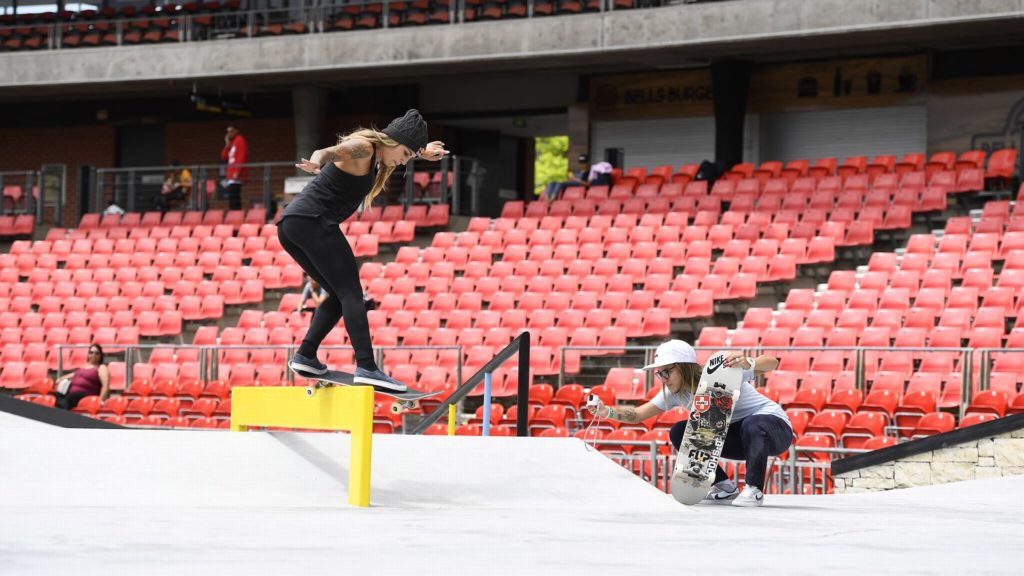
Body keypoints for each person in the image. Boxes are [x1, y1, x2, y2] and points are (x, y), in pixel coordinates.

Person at [280, 109, 448, 391]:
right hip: (313, 221)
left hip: (291, 226)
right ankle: (367, 367)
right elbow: (333, 150)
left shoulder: (377, 155)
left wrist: (420, 152)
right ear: (392, 141)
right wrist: (317, 159)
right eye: (404, 154)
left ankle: (306, 355)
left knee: (338, 293)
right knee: (352, 293)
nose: (403, 162)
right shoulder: (365, 148)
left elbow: (396, 149)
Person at [586, 340, 792, 507]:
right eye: (659, 374)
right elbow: (638, 414)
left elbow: (772, 362)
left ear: (683, 368)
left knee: (752, 424)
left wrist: (749, 362)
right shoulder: (676, 393)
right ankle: (723, 487)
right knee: (679, 430)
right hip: (740, 440)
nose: (663, 379)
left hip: (773, 430)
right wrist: (607, 412)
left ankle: (754, 490)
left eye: (666, 372)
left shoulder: (722, 373)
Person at [55, 344, 111, 410]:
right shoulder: (82, 368)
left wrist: (100, 401)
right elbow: (71, 375)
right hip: (71, 395)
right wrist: (60, 379)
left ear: (100, 355)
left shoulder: (101, 368)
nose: (93, 355)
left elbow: (105, 385)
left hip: (85, 396)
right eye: (91, 352)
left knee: (68, 400)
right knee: (56, 396)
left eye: (96, 353)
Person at [221, 124, 249, 210]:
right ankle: (234, 214)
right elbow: (223, 157)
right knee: (231, 197)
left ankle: (237, 215)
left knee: (234, 196)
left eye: (231, 131)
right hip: (230, 174)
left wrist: (237, 171)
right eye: (228, 132)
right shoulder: (232, 143)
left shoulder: (240, 140)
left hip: (236, 175)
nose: (229, 133)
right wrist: (227, 144)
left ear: (236, 131)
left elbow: (242, 156)